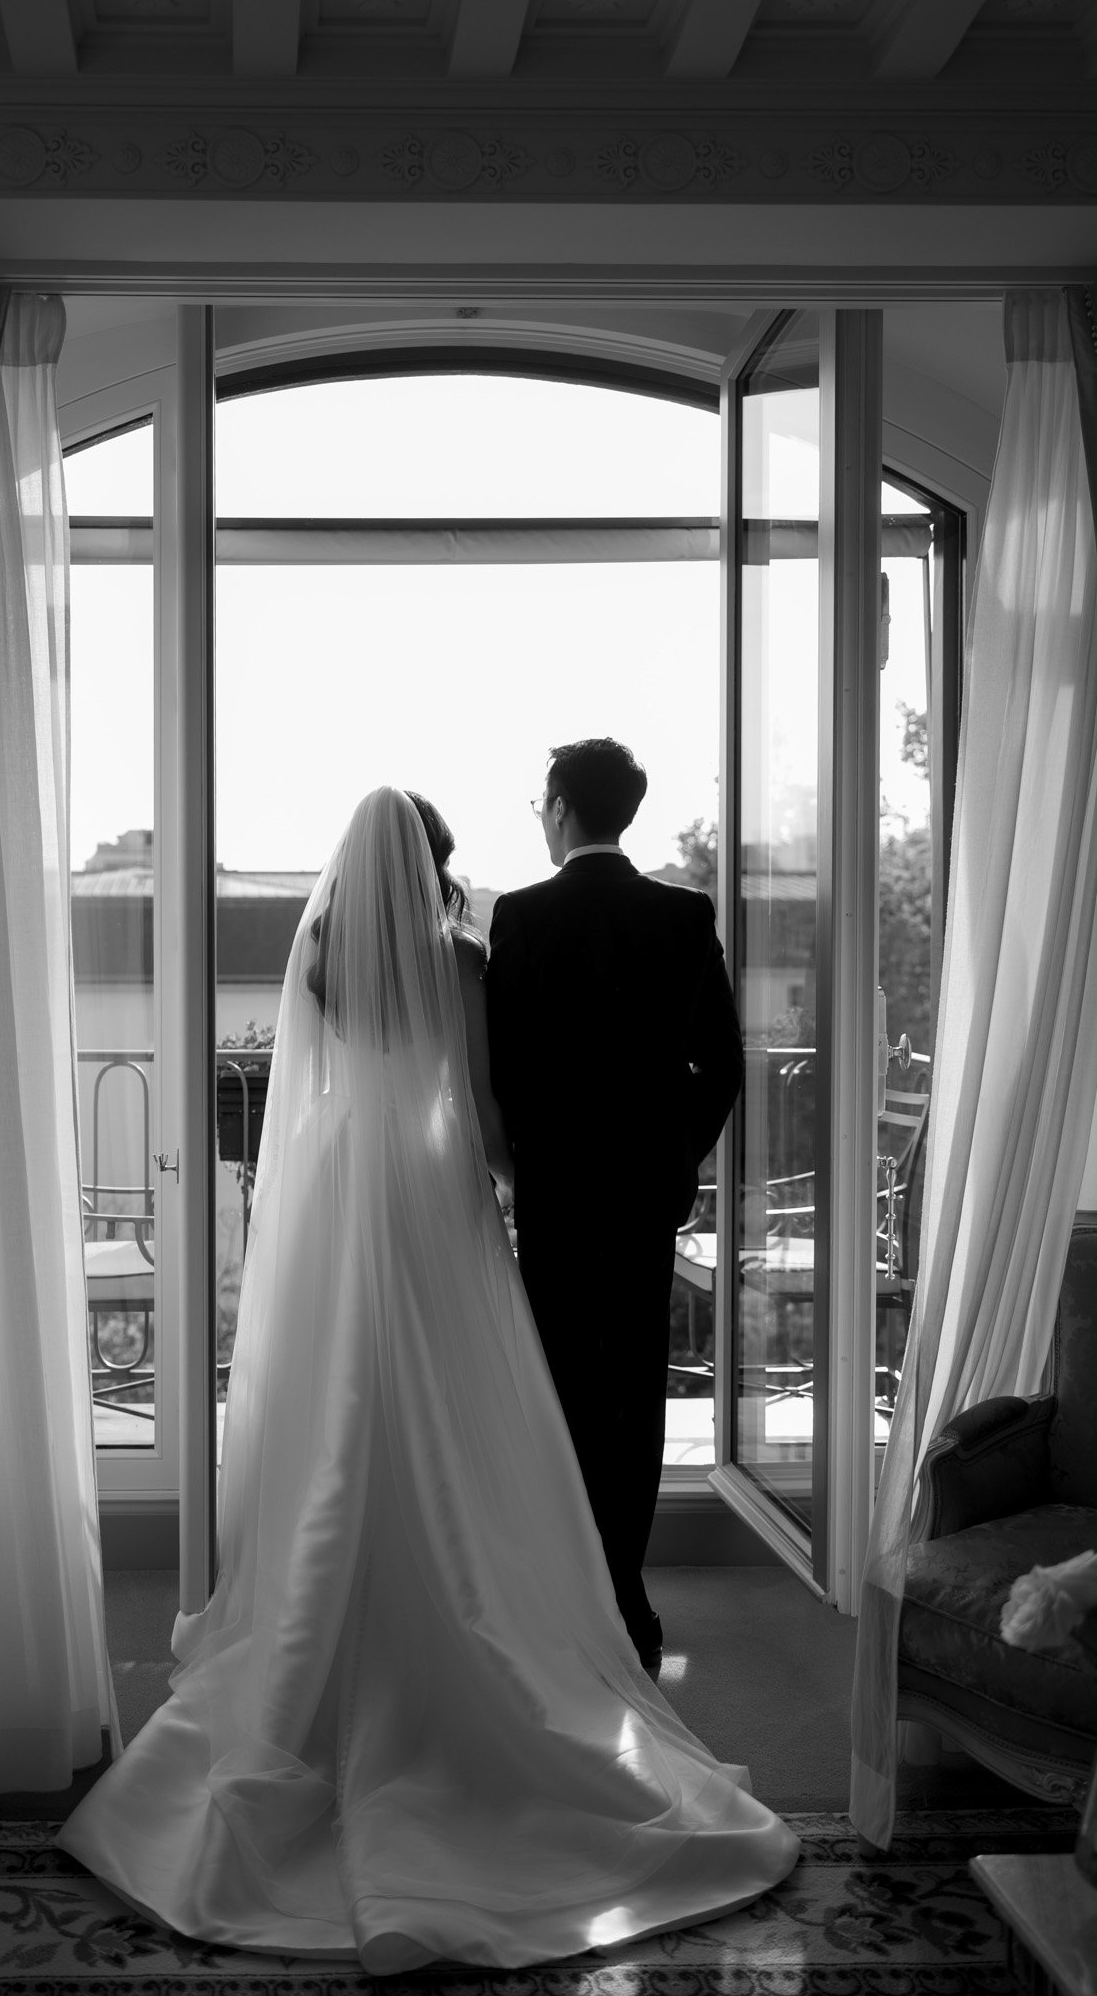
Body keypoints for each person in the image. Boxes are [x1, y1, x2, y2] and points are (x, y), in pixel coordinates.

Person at [57, 786, 795, 1972]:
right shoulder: (459, 951)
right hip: (431, 1194)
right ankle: (486, 1627)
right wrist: (504, 1184)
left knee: (339, 1403)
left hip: (342, 1195)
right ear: (433, 864)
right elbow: (487, 1109)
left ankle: (316, 1623)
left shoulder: (314, 949)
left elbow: (303, 1098)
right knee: (463, 1414)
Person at [485, 739, 743, 1670]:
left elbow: (499, 1067)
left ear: (558, 808)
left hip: (552, 1195)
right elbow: (722, 1063)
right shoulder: (681, 914)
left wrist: (523, 1157)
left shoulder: (519, 916)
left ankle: (560, 1599)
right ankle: (627, 1599)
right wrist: (674, 1155)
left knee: (555, 1392)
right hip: (643, 1198)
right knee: (635, 1395)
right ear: (622, 811)